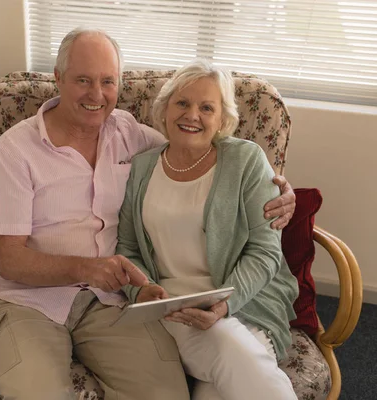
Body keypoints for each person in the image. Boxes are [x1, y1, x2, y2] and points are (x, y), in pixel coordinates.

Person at [0, 28, 295, 399]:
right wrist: (86, 268)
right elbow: (10, 260)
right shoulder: (16, 149)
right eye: (83, 80)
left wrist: (280, 188)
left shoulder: (130, 135)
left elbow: (196, 151)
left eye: (107, 81)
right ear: (58, 79)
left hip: (111, 304)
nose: (97, 95)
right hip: (27, 301)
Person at [117, 59, 299, 400]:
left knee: (218, 374)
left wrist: (223, 306)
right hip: (174, 310)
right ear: (165, 108)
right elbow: (127, 248)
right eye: (182, 103)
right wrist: (141, 291)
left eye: (206, 107)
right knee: (225, 349)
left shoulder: (245, 160)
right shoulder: (142, 167)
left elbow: (265, 251)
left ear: (222, 120)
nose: (192, 115)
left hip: (245, 302)